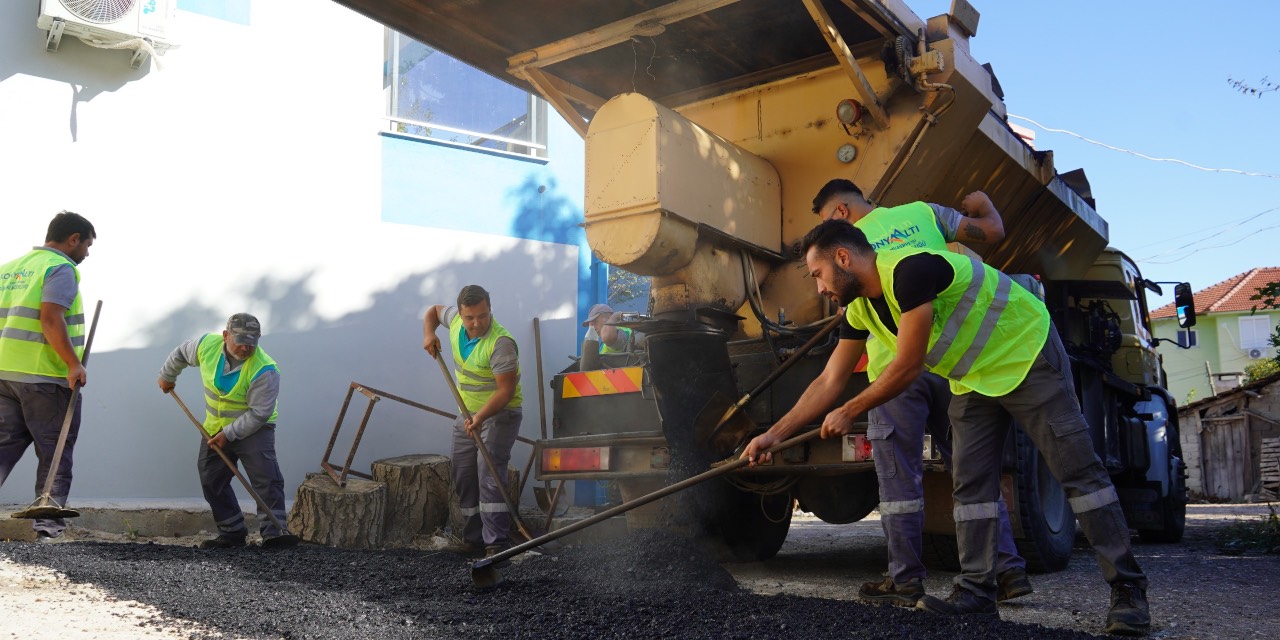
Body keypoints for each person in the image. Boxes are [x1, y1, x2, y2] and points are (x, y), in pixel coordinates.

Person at [743, 220, 1151, 636]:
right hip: (974, 378)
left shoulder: (910, 270)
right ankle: (977, 592)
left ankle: (1128, 591)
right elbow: (827, 380)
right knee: (971, 485)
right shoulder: (862, 309)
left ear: (843, 258)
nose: (818, 288)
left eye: (818, 274)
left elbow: (908, 366)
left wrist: (852, 409)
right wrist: (775, 435)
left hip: (1025, 354)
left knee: (1078, 473)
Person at [807, 179, 1030, 607]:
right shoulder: (923, 213)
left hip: (894, 376)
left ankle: (905, 579)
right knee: (971, 473)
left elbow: (840, 341)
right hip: (948, 364)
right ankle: (1007, 570)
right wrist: (984, 203)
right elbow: (993, 232)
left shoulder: (848, 252)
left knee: (898, 481)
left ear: (840, 215)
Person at [157, 313, 292, 549]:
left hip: (255, 430)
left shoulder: (265, 370)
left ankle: (275, 534)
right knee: (211, 478)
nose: (245, 347)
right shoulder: (206, 346)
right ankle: (232, 533)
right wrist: (167, 375)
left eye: (251, 342)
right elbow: (180, 354)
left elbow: (259, 413)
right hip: (214, 427)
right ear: (225, 335)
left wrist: (228, 435)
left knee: (266, 478)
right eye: (239, 340)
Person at [0, 211, 96, 541]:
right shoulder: (60, 268)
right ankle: (48, 532)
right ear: (73, 239)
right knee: (55, 453)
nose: (86, 252)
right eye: (87, 244)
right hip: (43, 377)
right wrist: (73, 364)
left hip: (5, 375)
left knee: (2, 447)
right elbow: (51, 319)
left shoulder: (10, 269)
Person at [423, 285, 523, 561]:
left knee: (488, 474)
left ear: (490, 309)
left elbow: (506, 392)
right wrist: (429, 333)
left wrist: (480, 417)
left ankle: (496, 545)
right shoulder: (455, 321)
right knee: (463, 473)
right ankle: (473, 540)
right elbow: (433, 311)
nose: (476, 323)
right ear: (462, 314)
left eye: (482, 316)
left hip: (500, 414)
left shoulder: (501, 343)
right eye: (470, 317)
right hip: (468, 415)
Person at [579, 303, 635, 370]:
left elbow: (607, 337)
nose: (593, 328)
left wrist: (614, 316)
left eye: (595, 322)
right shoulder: (602, 344)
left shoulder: (622, 331)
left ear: (609, 317)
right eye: (591, 325)